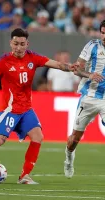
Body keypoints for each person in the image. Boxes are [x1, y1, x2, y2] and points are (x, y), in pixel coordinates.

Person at [0, 28, 103, 184]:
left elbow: (56, 64)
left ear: (27, 44)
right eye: (15, 44)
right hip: (10, 109)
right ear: (10, 43)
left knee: (38, 136)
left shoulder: (32, 57)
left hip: (26, 109)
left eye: (22, 44)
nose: (19, 48)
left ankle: (25, 176)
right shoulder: (3, 61)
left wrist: (70, 67)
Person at [64, 20, 105, 179]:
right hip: (89, 97)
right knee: (74, 139)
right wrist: (90, 75)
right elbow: (76, 69)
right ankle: (69, 157)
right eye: (102, 32)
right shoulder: (92, 46)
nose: (104, 36)